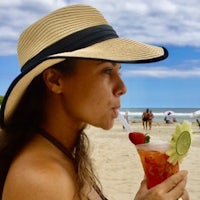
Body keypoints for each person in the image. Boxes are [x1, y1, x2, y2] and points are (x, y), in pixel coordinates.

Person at [0, 4, 189, 200]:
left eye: (118, 71)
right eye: (107, 71)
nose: (122, 88)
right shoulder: (40, 179)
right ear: (55, 80)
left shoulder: (61, 155)